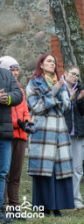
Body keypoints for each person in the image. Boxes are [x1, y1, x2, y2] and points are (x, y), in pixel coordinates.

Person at [26, 53, 74, 217]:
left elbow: (67, 106)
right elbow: (35, 107)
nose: (52, 64)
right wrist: (53, 93)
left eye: (54, 62)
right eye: (49, 61)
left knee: (58, 169)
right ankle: (43, 206)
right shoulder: (34, 83)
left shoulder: (61, 83)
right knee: (43, 169)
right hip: (43, 131)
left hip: (59, 131)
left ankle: (57, 206)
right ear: (41, 64)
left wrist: (60, 93)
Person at [1, 56, 35, 222]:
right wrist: (18, 123)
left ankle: (15, 208)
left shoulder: (19, 91)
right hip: (7, 135)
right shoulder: (3, 89)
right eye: (11, 70)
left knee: (16, 175)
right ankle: (4, 207)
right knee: (4, 174)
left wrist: (27, 123)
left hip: (20, 136)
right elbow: (7, 116)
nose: (15, 73)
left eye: (16, 70)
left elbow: (25, 112)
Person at [62, 64, 84, 210]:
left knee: (77, 168)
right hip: (62, 132)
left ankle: (76, 198)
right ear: (65, 73)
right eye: (73, 74)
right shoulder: (58, 87)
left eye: (77, 75)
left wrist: (79, 101)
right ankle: (63, 198)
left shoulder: (80, 88)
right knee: (63, 167)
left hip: (77, 133)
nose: (75, 77)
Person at [0, 59, 23, 224]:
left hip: (4, 132)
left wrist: (6, 97)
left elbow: (18, 95)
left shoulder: (7, 75)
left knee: (2, 172)